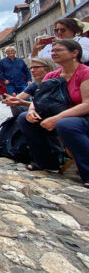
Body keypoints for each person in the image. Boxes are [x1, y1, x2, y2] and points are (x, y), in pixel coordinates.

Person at [17, 39, 89, 188]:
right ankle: (46, 161)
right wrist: (31, 111)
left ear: (74, 53)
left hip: (81, 117)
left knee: (66, 123)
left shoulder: (84, 73)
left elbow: (87, 104)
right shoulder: (51, 76)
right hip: (57, 116)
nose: (53, 53)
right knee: (24, 118)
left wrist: (56, 118)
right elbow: (38, 99)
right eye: (52, 51)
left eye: (59, 50)